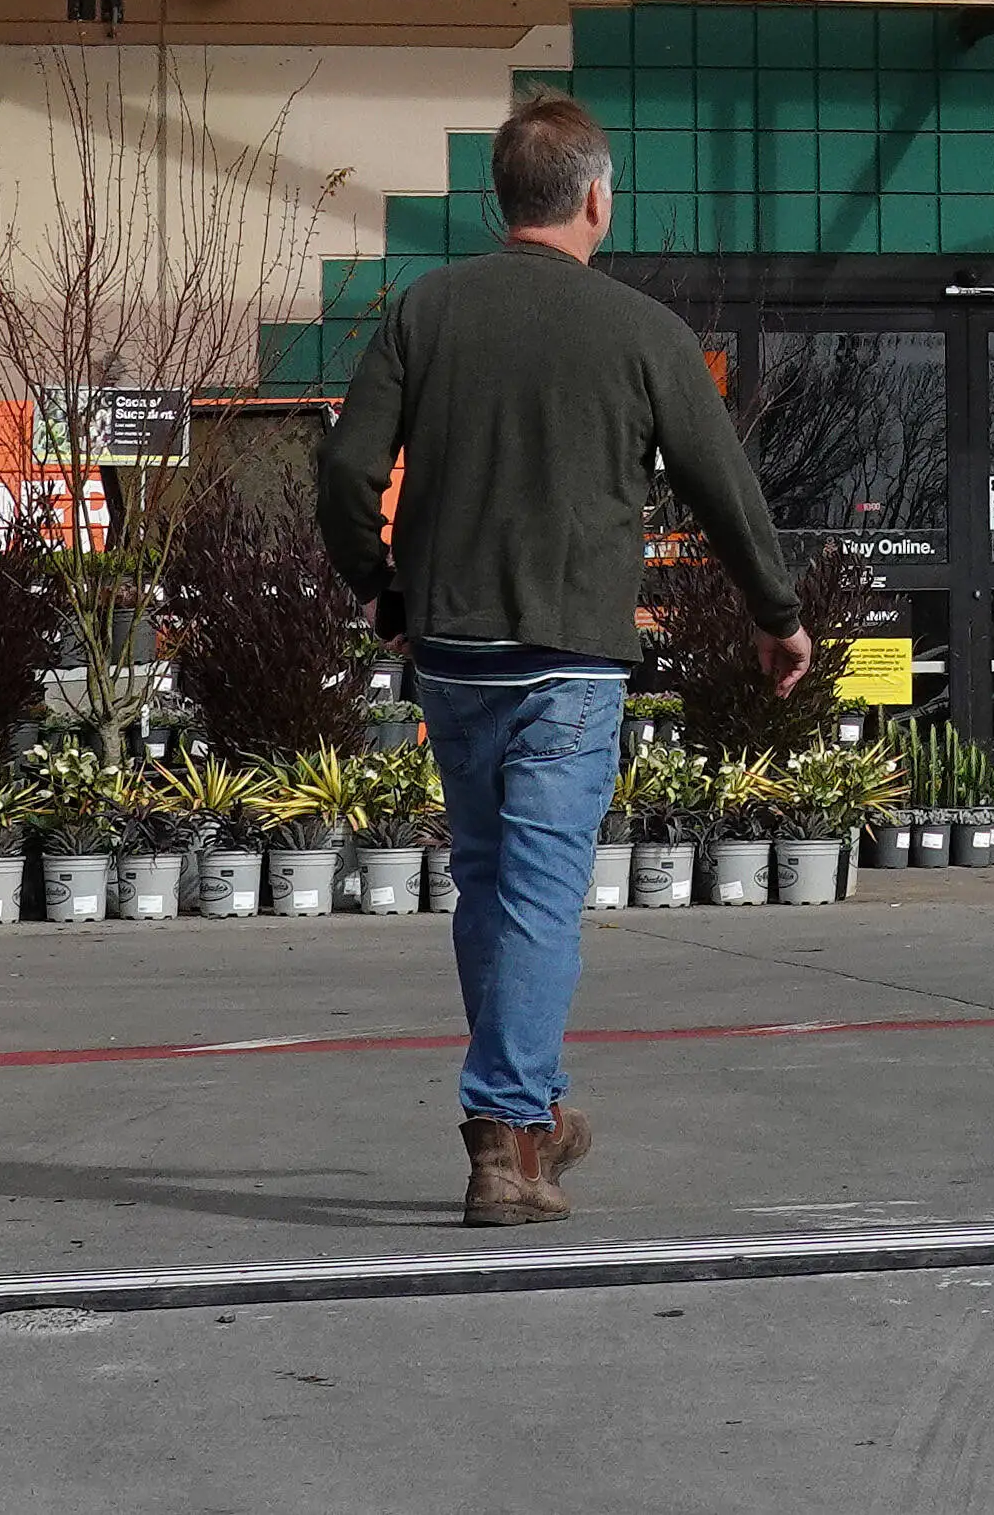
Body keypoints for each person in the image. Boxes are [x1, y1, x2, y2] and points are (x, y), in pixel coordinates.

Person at [319, 93, 809, 1226]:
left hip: (453, 654)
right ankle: (504, 1139)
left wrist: (377, 585)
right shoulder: (643, 331)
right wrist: (774, 611)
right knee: (539, 894)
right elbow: (724, 488)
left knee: (490, 884)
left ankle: (532, 1108)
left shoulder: (426, 309)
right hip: (572, 659)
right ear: (594, 197)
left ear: (505, 197)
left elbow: (346, 469)